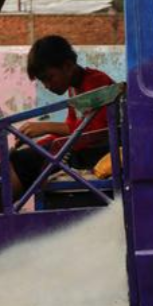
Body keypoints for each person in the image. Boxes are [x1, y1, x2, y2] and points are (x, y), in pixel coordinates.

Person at [10, 34, 115, 190]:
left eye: (49, 78)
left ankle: (3, 207)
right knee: (19, 157)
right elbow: (70, 129)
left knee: (22, 161)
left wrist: (45, 127)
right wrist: (36, 145)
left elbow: (94, 132)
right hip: (84, 152)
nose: (47, 86)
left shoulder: (95, 82)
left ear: (67, 66)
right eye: (43, 81)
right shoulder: (74, 88)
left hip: (99, 153)